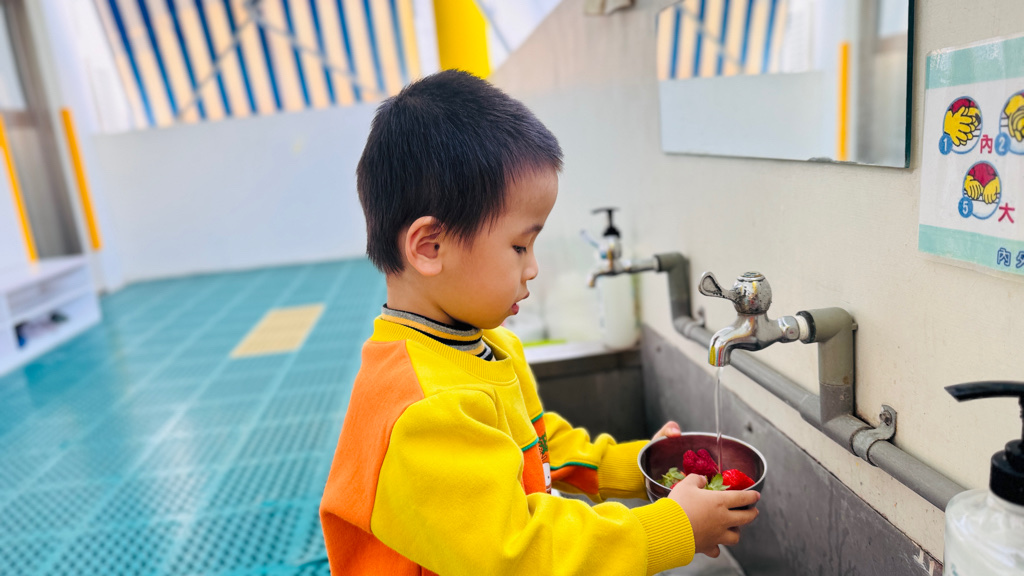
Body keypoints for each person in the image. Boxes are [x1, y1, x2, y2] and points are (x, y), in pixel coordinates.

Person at [319, 69, 759, 575]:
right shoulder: (423, 413)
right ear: (430, 247)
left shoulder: (488, 347)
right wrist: (670, 528)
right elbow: (518, 553)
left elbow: (541, 449)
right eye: (518, 246)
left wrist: (639, 466)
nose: (532, 268)